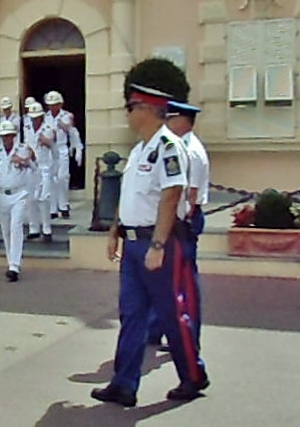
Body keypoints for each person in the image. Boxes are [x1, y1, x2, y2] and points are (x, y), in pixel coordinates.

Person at [90, 85, 208, 408]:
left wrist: (157, 244)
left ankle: (193, 376)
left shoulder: (168, 147)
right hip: (133, 246)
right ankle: (124, 384)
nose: (127, 113)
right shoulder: (140, 150)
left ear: (145, 109)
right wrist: (115, 228)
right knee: (132, 315)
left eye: (130, 106)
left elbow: (171, 195)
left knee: (173, 315)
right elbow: (131, 197)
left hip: (161, 245)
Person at [148, 101, 210, 356]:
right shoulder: (178, 146)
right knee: (163, 279)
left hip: (184, 220)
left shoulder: (191, 151)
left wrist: (175, 223)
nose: (166, 124)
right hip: (175, 220)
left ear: (181, 121)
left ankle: (189, 337)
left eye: (170, 118)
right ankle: (156, 330)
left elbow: (191, 196)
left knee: (184, 282)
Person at [0, 120, 36, 282]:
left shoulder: (22, 149)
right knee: (6, 230)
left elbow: (35, 167)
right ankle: (10, 262)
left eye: (8, 136)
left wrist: (24, 161)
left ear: (13, 136)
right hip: (1, 195)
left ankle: (15, 265)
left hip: (19, 194)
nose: (6, 139)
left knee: (16, 227)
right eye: (3, 136)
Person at [43, 90, 83, 219]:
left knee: (63, 177)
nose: (53, 107)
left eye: (55, 104)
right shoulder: (44, 117)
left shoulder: (67, 115)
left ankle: (64, 205)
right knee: (51, 180)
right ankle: (53, 208)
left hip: (61, 149)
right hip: (49, 151)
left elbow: (73, 133)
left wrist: (78, 149)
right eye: (50, 104)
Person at [23, 100, 55, 242]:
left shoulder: (47, 128)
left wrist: (47, 141)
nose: (35, 120)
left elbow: (53, 147)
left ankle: (47, 229)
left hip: (45, 167)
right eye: (33, 118)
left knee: (44, 198)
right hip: (31, 167)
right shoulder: (27, 129)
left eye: (37, 118)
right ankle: (34, 228)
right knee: (30, 199)